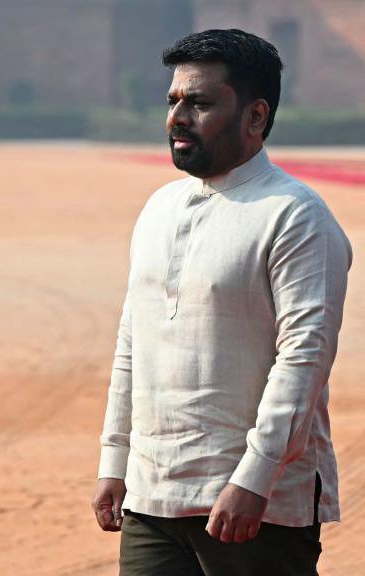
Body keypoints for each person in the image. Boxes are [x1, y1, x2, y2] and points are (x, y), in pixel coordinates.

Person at [91, 29, 351, 575]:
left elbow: (304, 360)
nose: (177, 118)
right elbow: (132, 342)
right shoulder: (159, 208)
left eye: (200, 103)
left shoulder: (295, 216)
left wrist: (254, 479)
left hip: (252, 507)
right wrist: (116, 460)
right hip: (152, 497)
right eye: (173, 101)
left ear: (255, 117)